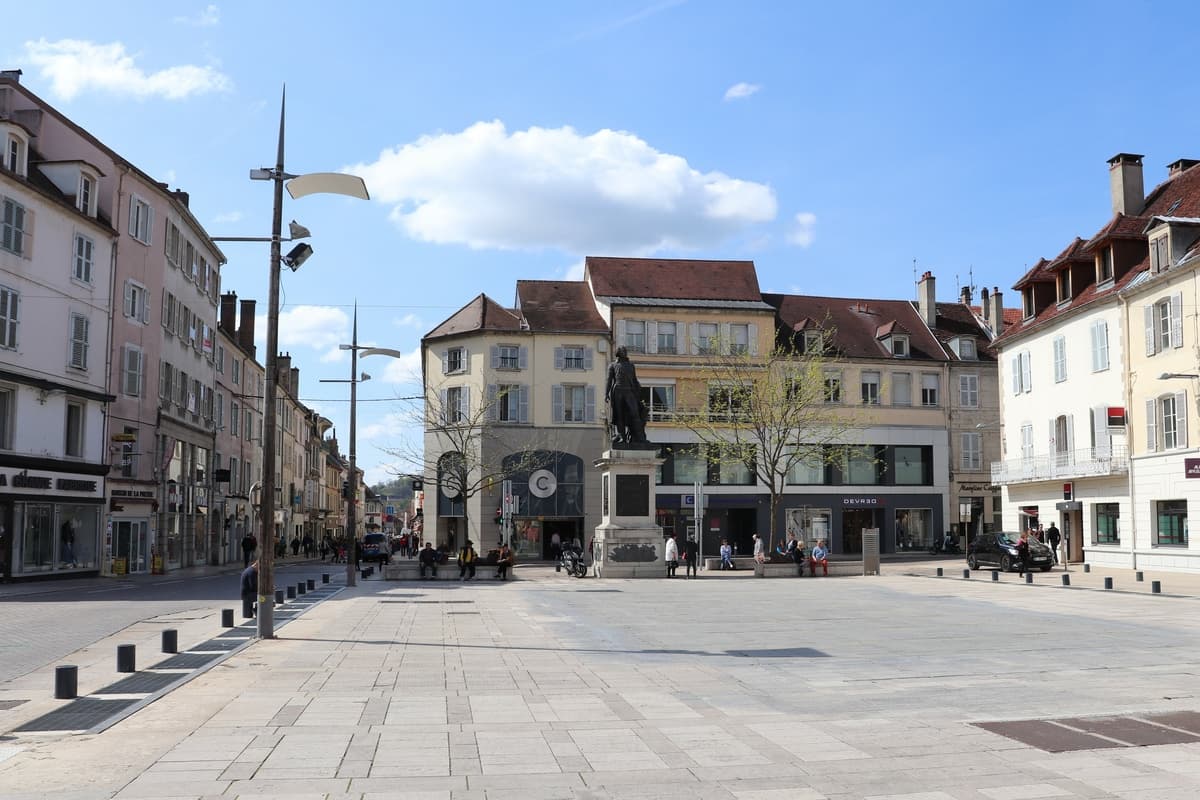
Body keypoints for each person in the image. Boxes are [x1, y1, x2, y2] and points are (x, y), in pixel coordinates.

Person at [605, 345, 648, 445]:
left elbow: (634, 379)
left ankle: (639, 437)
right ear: (618, 353)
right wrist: (606, 394)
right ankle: (621, 437)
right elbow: (609, 381)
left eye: (625, 351)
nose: (625, 352)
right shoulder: (612, 365)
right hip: (618, 391)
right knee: (619, 415)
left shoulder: (631, 365)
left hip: (629, 391)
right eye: (622, 351)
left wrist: (639, 388)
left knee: (635, 413)